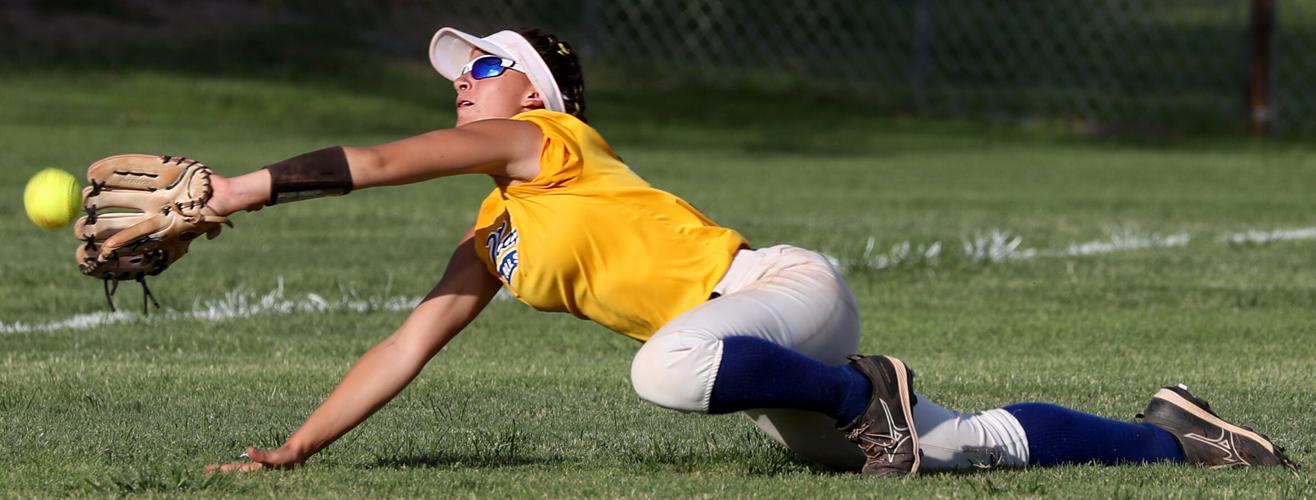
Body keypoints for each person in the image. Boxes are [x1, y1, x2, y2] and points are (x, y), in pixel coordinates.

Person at [204, 27, 1298, 476]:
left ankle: (866, 389)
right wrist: (294, 448)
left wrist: (237, 190)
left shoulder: (541, 141)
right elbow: (409, 343)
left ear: (533, 89)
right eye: (465, 68)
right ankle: (1175, 441)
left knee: (659, 368)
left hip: (774, 293)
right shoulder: (496, 227)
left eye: (485, 65)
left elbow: (387, 159)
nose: (465, 78)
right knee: (945, 448)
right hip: (749, 348)